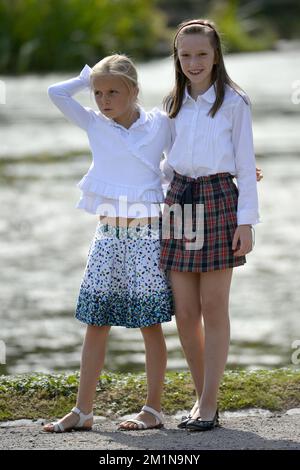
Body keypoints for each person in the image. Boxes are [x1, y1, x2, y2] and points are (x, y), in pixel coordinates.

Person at [43, 54, 174, 433]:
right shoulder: (94, 123)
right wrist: (90, 78)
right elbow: (56, 93)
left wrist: (239, 167)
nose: (104, 100)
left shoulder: (161, 124)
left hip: (148, 238)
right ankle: (83, 411)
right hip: (108, 238)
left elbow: (188, 155)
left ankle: (152, 409)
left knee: (150, 324)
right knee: (95, 321)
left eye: (113, 92)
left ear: (135, 90)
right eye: (98, 93)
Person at [159, 19, 261, 431]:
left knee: (213, 306)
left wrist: (247, 222)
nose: (194, 62)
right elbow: (162, 162)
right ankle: (204, 400)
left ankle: (209, 403)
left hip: (220, 199)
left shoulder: (235, 102)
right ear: (177, 58)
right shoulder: (171, 103)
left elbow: (243, 160)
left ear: (216, 55)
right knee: (185, 312)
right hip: (179, 200)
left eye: (202, 54)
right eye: (185, 55)